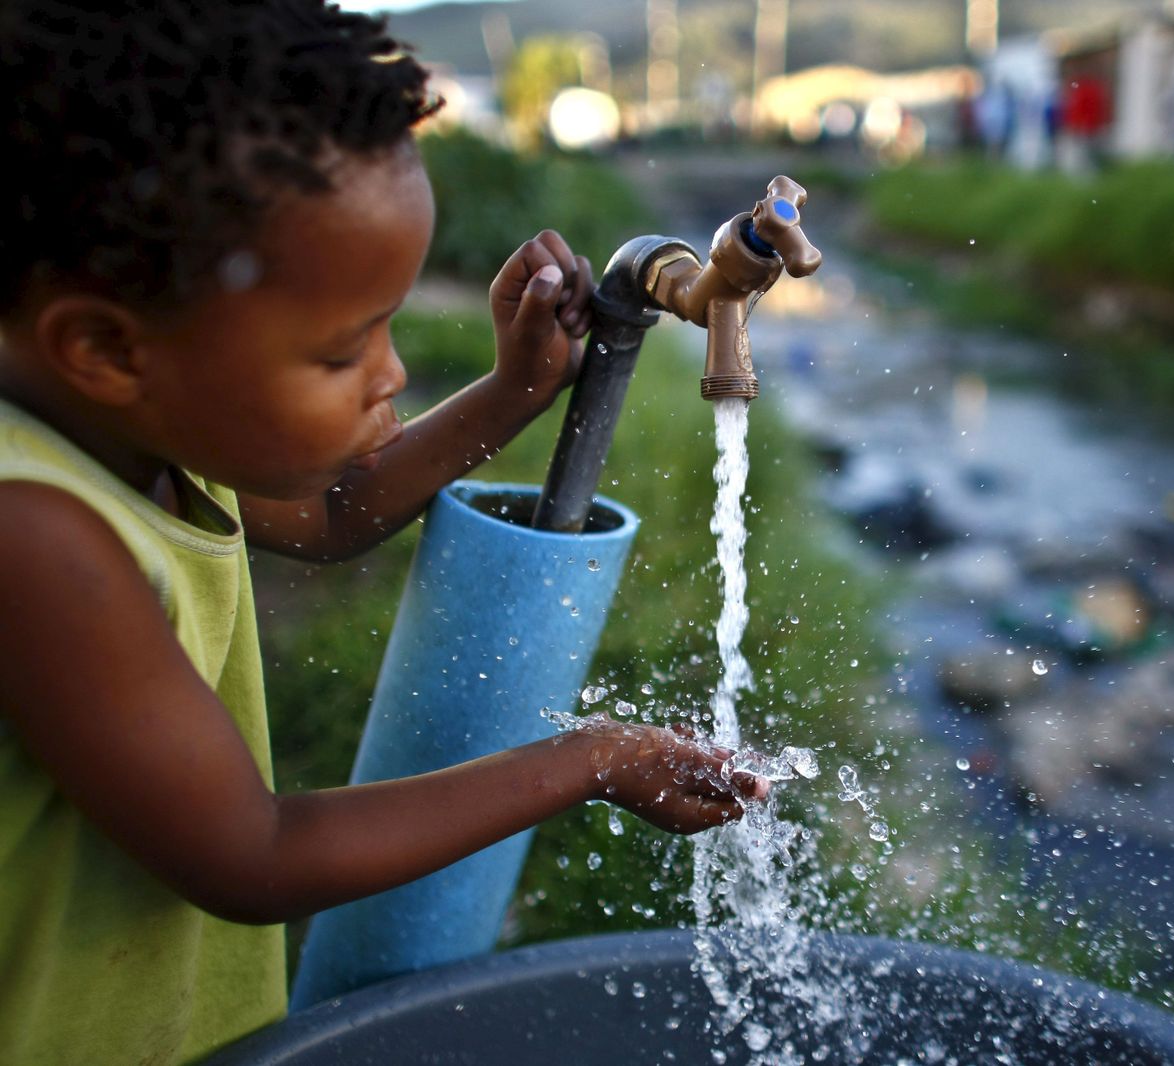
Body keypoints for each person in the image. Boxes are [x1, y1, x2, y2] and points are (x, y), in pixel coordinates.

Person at [0, 3, 767, 1064]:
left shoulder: (128, 427)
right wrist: (588, 759)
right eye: (341, 349)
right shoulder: (31, 531)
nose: (394, 373)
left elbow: (330, 513)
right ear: (103, 346)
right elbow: (251, 853)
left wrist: (511, 392)